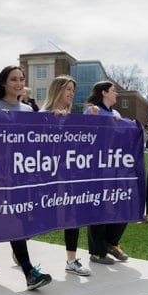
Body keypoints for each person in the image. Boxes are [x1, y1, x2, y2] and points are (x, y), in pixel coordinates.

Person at [0, 65, 52, 290]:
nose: (19, 83)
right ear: (3, 83)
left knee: (6, 218)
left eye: (21, 79)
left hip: (19, 175)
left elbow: (38, 137)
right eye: (13, 79)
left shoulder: (28, 110)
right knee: (13, 220)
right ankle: (29, 273)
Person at [39, 75, 91, 277]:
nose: (71, 94)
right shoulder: (43, 115)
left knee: (72, 215)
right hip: (45, 176)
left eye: (73, 90)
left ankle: (71, 260)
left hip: (67, 175)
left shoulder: (72, 117)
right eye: (68, 89)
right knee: (35, 215)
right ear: (57, 90)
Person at [83, 81, 129, 265]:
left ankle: (111, 242)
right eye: (113, 91)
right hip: (96, 168)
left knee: (122, 203)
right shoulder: (92, 111)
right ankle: (96, 252)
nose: (116, 93)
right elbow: (85, 137)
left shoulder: (116, 114)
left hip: (115, 166)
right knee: (98, 208)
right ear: (104, 93)